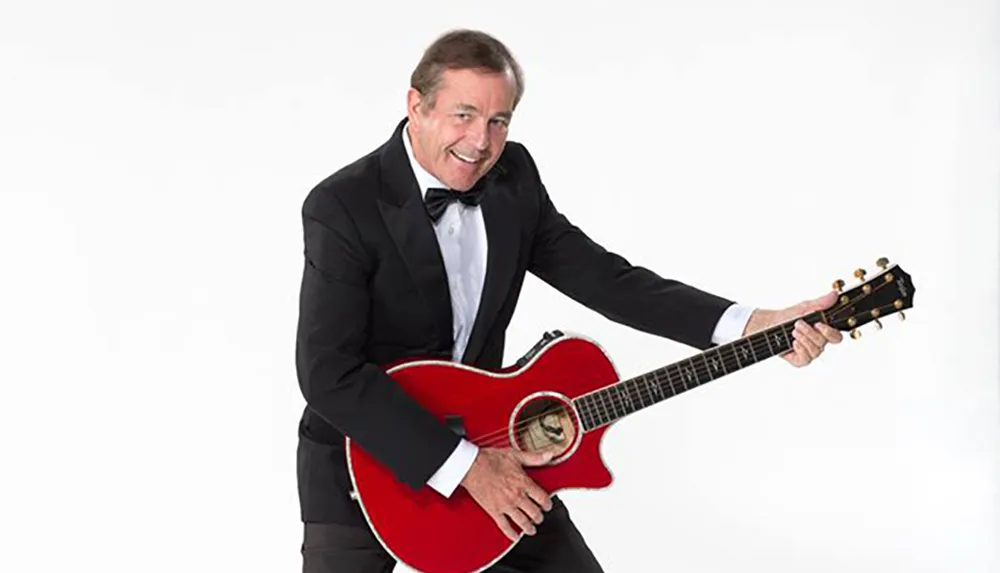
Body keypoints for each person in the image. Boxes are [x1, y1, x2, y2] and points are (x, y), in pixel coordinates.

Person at [294, 28, 843, 573]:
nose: (481, 142)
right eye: (463, 114)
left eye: (498, 121)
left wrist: (750, 324)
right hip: (361, 466)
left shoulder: (513, 177)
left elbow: (608, 280)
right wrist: (466, 467)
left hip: (498, 447)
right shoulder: (342, 205)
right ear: (417, 105)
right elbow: (327, 373)